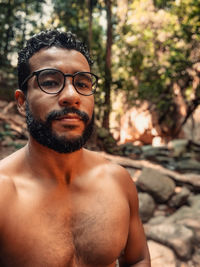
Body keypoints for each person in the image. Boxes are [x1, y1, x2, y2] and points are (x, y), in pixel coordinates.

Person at [0, 29, 151, 267]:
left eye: (82, 83)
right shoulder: (4, 194)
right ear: (22, 102)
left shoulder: (117, 180)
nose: (72, 96)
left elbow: (138, 258)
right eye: (50, 82)